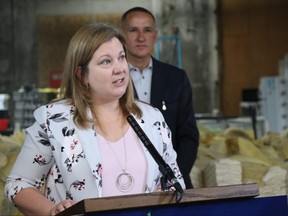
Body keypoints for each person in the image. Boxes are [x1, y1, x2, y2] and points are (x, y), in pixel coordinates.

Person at [4, 23, 185, 216]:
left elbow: (176, 182)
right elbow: (18, 184)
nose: (120, 69)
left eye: (121, 58)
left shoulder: (152, 118)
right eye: (106, 62)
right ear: (82, 74)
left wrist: (165, 196)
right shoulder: (54, 120)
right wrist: (51, 210)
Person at [121, 7, 199, 189]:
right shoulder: (112, 79)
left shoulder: (176, 78)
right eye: (133, 30)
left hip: (173, 185)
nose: (141, 37)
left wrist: (173, 175)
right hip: (127, 184)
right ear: (121, 36)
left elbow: (189, 136)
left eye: (147, 30)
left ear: (155, 36)